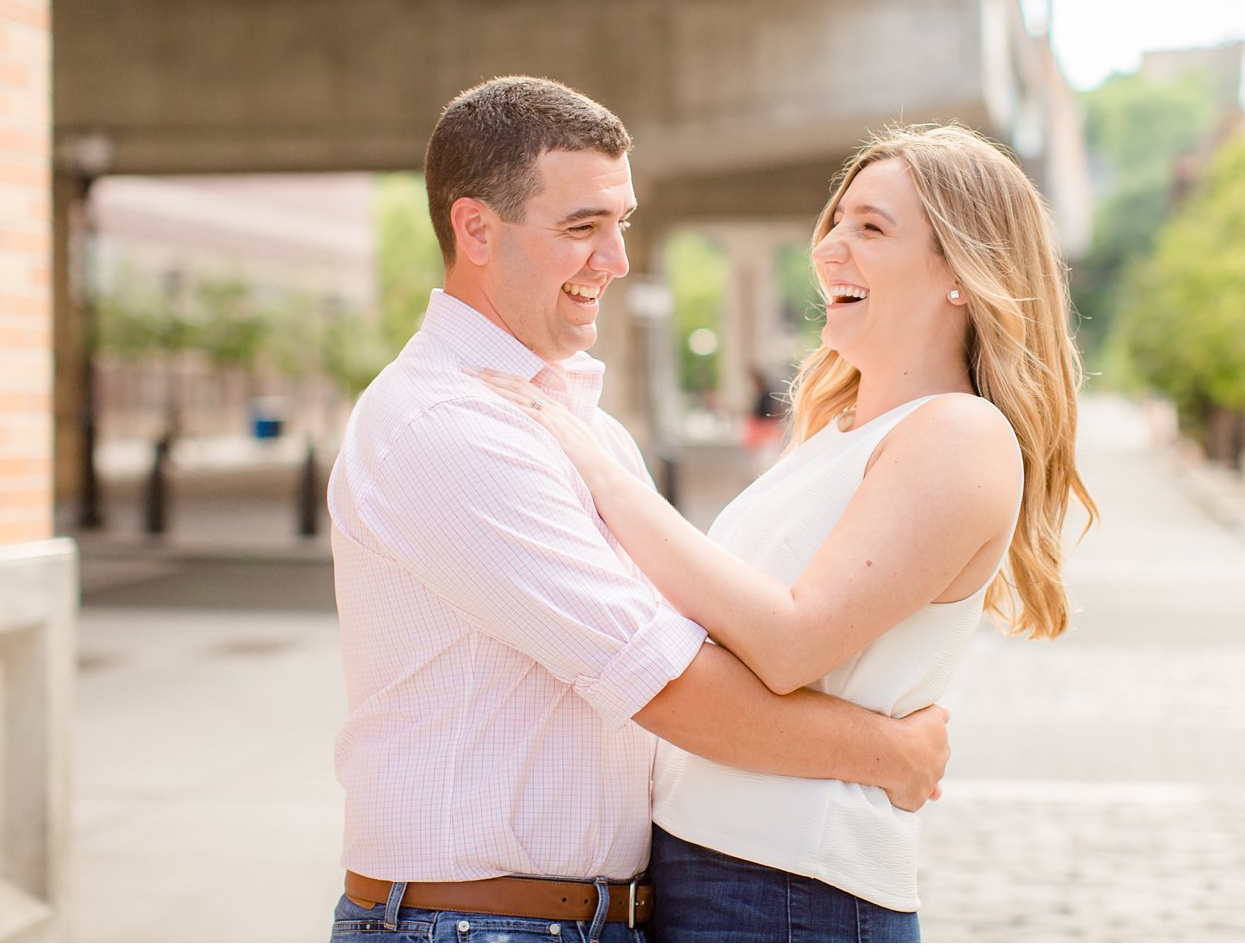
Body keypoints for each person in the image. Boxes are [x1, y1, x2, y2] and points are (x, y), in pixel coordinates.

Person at [325, 77, 952, 945]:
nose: (614, 260)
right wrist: (888, 754)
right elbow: (669, 687)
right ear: (475, 229)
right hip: (472, 927)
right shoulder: (448, 427)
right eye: (581, 228)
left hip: (585, 921)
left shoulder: (586, 428)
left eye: (619, 223)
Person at [479, 123, 1098, 942]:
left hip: (787, 889)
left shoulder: (957, 435)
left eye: (871, 228)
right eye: (835, 223)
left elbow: (792, 640)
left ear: (961, 271)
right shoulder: (842, 432)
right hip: (717, 867)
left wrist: (603, 477)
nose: (830, 249)